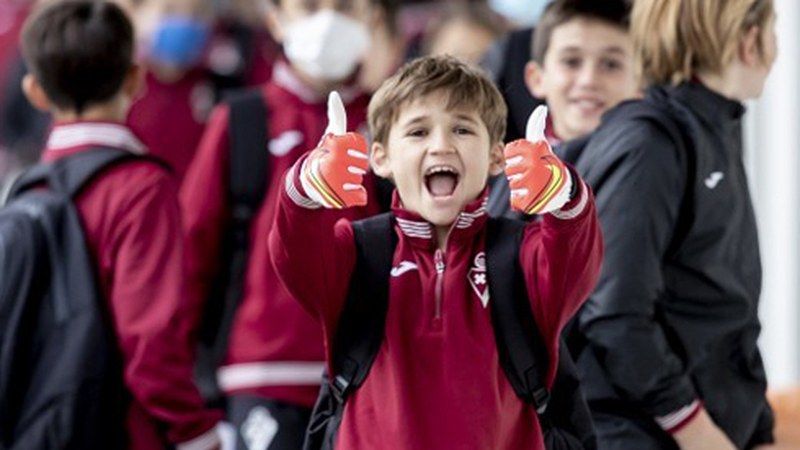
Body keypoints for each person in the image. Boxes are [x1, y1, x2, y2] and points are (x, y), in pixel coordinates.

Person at [268, 55, 603, 449]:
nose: (441, 145)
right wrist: (305, 187)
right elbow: (293, 252)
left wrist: (564, 196)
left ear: (497, 156)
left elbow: (577, 256)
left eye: (462, 129)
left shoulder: (523, 255)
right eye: (418, 132)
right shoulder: (357, 253)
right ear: (380, 158)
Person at [566, 0, 778, 448]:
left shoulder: (715, 128)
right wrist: (698, 433)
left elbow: (724, 307)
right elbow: (616, 313)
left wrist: (758, 430)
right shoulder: (651, 143)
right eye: (774, 28)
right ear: (750, 41)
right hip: (637, 434)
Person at [180, 0, 387, 447]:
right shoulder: (242, 119)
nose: (328, 19)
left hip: (371, 378)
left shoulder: (393, 125)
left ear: (371, 19)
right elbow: (191, 257)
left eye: (346, 7)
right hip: (260, 376)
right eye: (310, 5)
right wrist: (185, 396)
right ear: (275, 20)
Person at [18, 0, 223, 448]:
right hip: (124, 430)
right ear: (134, 79)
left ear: (35, 91)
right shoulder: (142, 187)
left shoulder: (26, 193)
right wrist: (194, 430)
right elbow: (150, 340)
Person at [488, 0, 638, 219]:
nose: (588, 80)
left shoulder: (643, 167)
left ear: (640, 83)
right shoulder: (504, 172)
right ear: (536, 78)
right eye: (571, 61)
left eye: (610, 64)